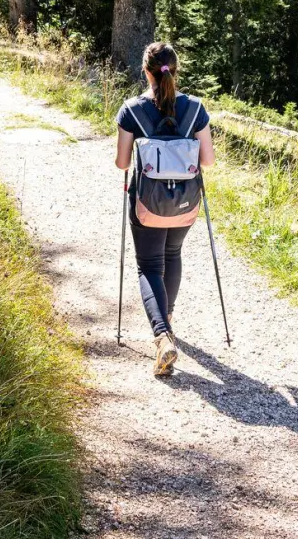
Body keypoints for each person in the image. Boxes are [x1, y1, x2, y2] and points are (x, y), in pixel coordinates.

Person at [114, 42, 216, 376]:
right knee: (172, 256)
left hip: (148, 203)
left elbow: (122, 162)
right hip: (186, 201)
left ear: (146, 71)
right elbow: (208, 161)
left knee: (148, 266)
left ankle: (162, 336)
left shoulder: (131, 110)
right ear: (175, 69)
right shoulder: (196, 108)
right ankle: (167, 320)